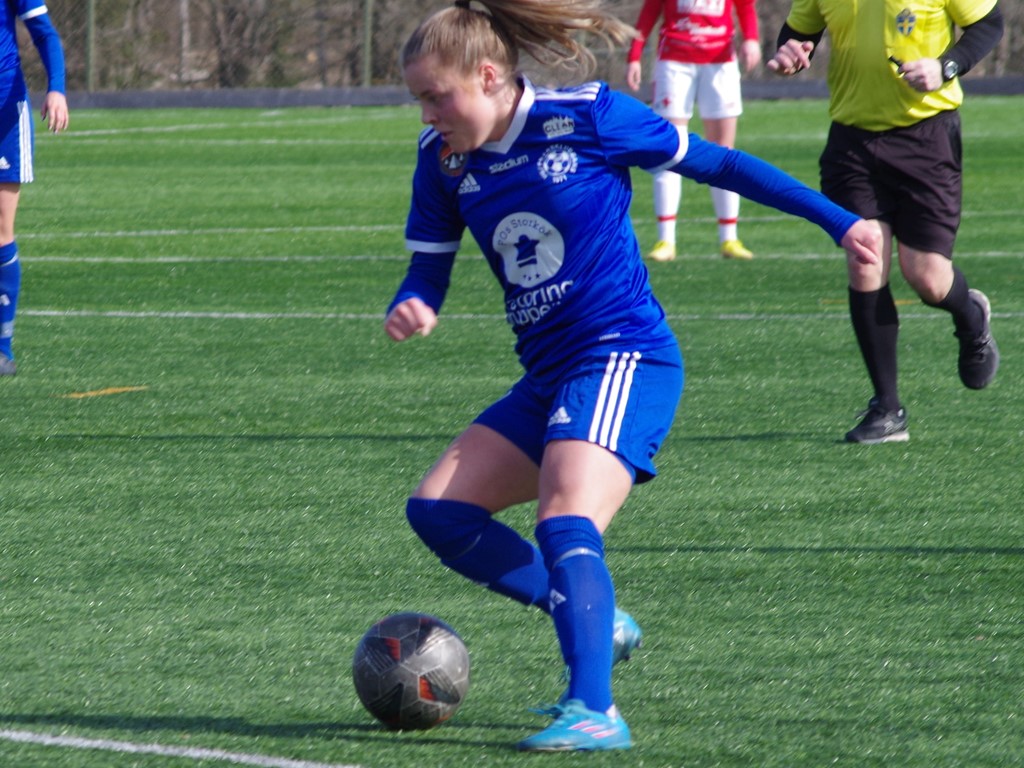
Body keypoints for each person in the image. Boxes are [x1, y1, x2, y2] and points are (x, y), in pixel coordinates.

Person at [386, 0, 880, 752]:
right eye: (419, 99)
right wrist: (416, 300)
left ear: (487, 77)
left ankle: (594, 709)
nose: (427, 114)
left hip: (623, 354)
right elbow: (428, 264)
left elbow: (720, 163)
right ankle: (588, 614)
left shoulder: (587, 117)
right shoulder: (443, 159)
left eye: (436, 96)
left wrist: (839, 221)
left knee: (565, 516)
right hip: (549, 374)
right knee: (439, 511)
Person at [768, 0, 1003, 443]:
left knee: (928, 279)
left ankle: (971, 317)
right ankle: (888, 409)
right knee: (865, 257)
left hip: (927, 137)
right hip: (852, 142)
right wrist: (791, 52)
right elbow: (800, 31)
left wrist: (945, 66)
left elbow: (989, 24)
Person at [625, 0, 762, 262]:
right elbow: (649, 12)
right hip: (674, 63)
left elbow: (745, 6)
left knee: (723, 151)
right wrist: (634, 56)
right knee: (668, 150)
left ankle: (729, 238)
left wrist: (752, 39)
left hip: (720, 62)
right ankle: (666, 240)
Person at [0, 1, 69, 377]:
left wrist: (56, 89)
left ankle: (2, 348)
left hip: (4, 112)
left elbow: (45, 34)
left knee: (0, 231)